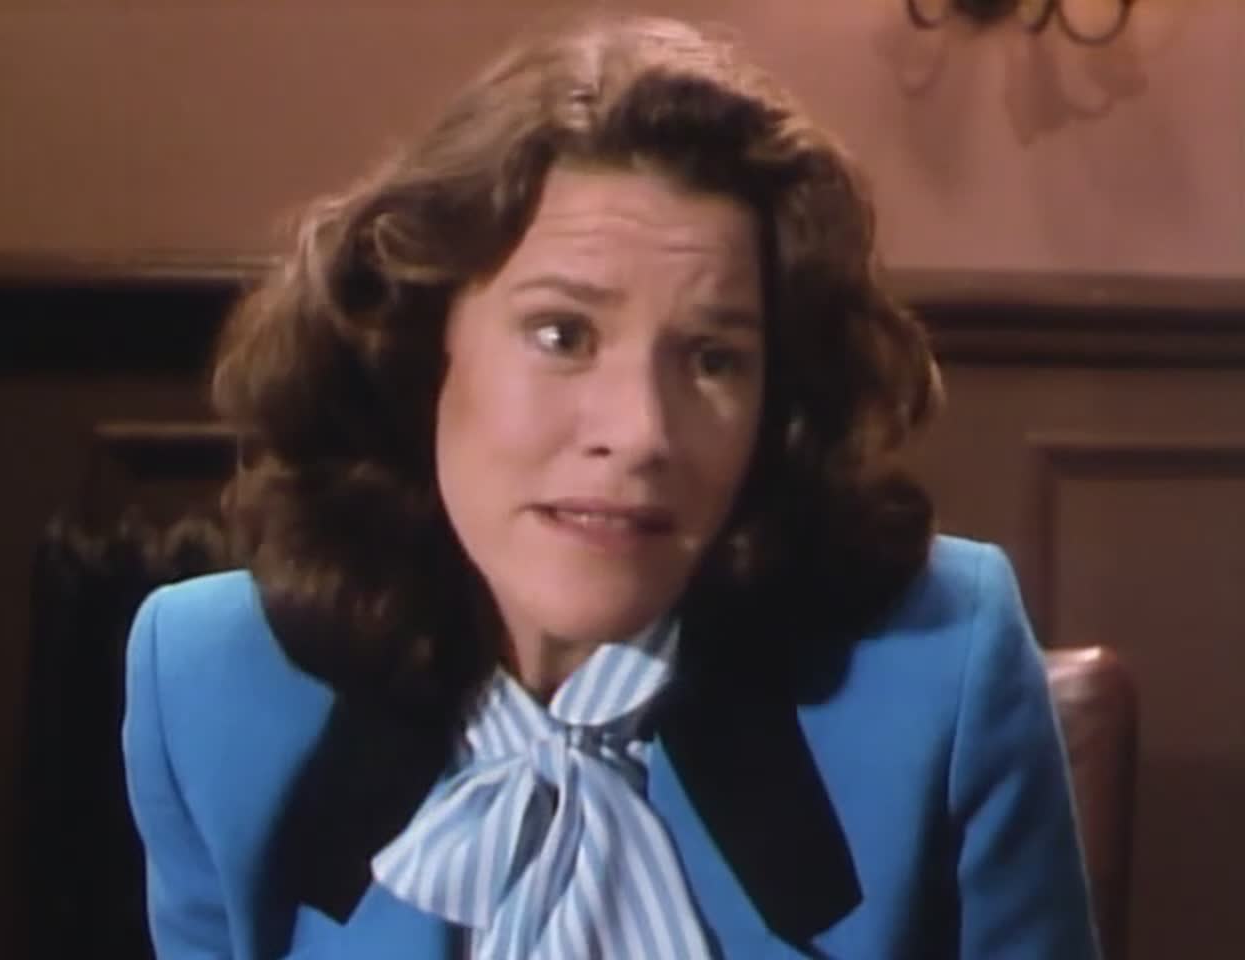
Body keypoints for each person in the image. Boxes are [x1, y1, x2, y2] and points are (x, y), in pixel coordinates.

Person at [122, 12, 1099, 959]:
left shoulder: (941, 672)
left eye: (713, 359)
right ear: (419, 347)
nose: (640, 433)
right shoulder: (212, 683)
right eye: (563, 335)